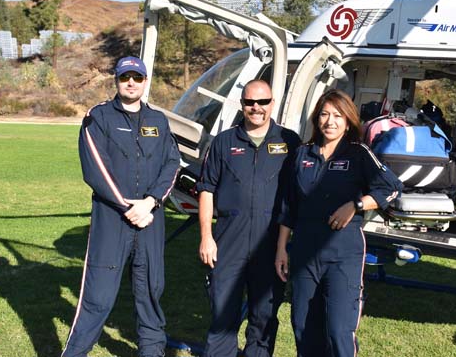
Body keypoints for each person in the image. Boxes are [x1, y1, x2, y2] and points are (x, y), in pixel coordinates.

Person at [62, 56, 181, 357]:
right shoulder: (98, 117)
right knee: (97, 297)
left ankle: (151, 352)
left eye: (137, 78)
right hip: (113, 221)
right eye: (125, 77)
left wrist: (152, 202)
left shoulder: (159, 121)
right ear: (116, 80)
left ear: (145, 82)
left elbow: (171, 163)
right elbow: (95, 168)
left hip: (150, 221)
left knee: (151, 293)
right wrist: (129, 207)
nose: (131, 83)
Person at [275, 89, 403, 357]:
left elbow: (391, 188)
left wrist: (355, 205)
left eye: (337, 115)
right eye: (324, 114)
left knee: (338, 331)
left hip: (343, 255)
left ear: (348, 121)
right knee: (303, 327)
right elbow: (288, 206)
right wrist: (281, 249)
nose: (330, 121)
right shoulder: (302, 155)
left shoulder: (358, 154)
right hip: (304, 253)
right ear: (316, 119)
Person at [197, 79, 301, 357]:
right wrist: (206, 237)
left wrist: (283, 248)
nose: (256, 108)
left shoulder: (289, 141)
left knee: (264, 317)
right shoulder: (224, 141)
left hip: (270, 244)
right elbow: (206, 190)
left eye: (262, 102)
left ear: (272, 104)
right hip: (228, 241)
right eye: (250, 102)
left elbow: (295, 197)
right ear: (242, 104)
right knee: (223, 316)